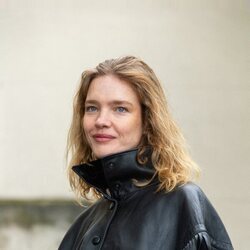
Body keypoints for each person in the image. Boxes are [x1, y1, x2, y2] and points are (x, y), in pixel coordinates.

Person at [59, 56, 233, 250]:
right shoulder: (83, 226)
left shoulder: (183, 204)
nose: (101, 120)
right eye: (92, 108)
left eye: (120, 109)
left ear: (148, 121)